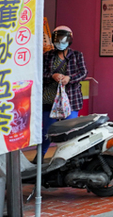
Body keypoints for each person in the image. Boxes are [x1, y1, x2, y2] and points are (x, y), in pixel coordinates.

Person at [41, 26, 87, 158]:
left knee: (70, 130)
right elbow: (40, 73)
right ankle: (40, 156)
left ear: (69, 40)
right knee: (48, 131)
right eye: (57, 40)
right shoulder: (47, 56)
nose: (60, 43)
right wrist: (52, 76)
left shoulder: (77, 55)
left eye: (63, 40)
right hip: (50, 98)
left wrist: (69, 78)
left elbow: (83, 73)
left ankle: (69, 158)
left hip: (71, 99)